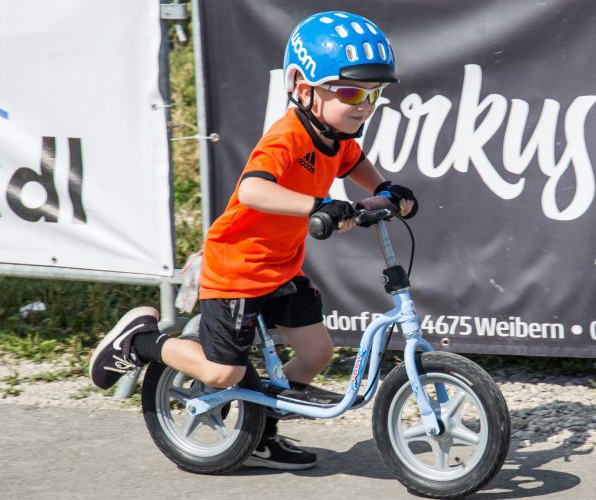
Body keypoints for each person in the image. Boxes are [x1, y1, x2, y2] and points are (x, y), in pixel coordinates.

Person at [88, 11, 417, 471]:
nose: (364, 104)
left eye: (374, 94)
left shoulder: (337, 135)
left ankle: (260, 431)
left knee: (318, 353)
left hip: (281, 266)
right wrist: (317, 205)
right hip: (237, 269)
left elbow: (353, 162)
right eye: (349, 91)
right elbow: (252, 190)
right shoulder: (286, 136)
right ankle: (140, 343)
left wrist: (384, 191)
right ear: (304, 88)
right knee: (225, 372)